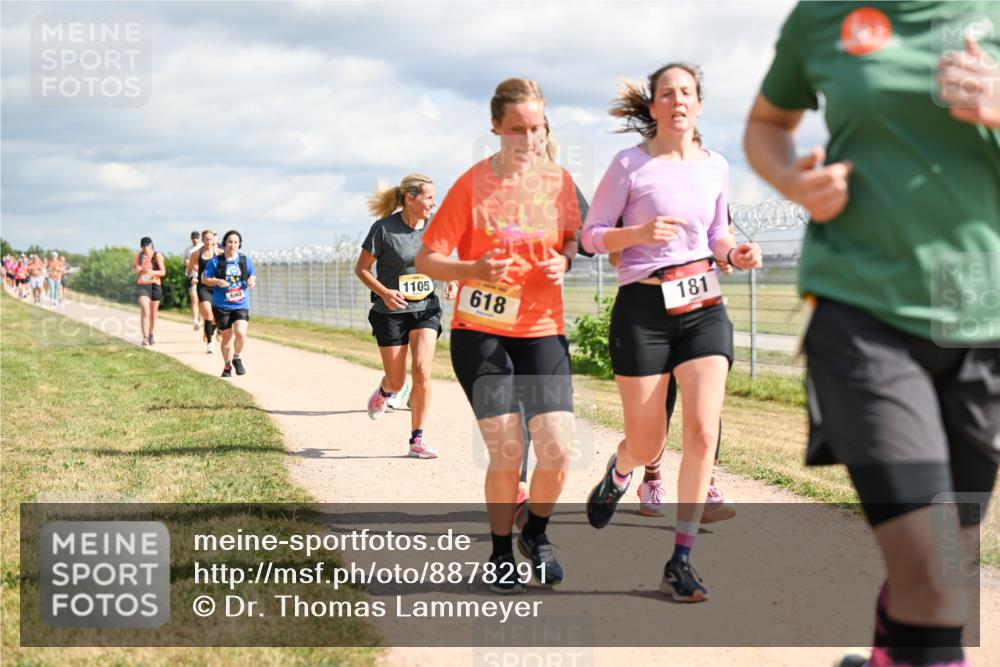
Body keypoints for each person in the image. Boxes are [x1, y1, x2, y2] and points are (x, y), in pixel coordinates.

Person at [745, 5, 999, 666]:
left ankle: (893, 647)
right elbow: (768, 125)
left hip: (983, 323)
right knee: (935, 573)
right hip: (861, 315)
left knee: (951, 564)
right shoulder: (824, 15)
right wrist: (791, 180)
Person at [580, 63, 762, 603]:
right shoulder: (629, 164)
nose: (677, 100)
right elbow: (591, 237)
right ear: (653, 106)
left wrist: (734, 252)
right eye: (667, 93)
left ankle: (680, 559)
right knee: (648, 440)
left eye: (687, 93)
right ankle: (620, 472)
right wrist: (637, 233)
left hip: (704, 303)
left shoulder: (716, 166)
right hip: (644, 306)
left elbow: (716, 232)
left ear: (698, 104)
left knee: (703, 432)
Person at [417, 77, 582, 592]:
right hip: (481, 332)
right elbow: (428, 258)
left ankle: (536, 530)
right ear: (495, 127)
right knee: (508, 449)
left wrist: (564, 259)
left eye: (536, 129)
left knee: (556, 447)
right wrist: (472, 268)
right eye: (517, 130)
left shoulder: (559, 181)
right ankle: (500, 552)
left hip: (541, 329)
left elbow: (572, 239)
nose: (528, 140)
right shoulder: (470, 186)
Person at [356, 173, 456, 459]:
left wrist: (453, 278)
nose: (434, 204)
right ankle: (386, 391)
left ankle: (417, 440)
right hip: (391, 312)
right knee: (398, 381)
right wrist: (385, 292)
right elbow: (362, 269)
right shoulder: (383, 229)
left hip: (426, 308)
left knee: (423, 369)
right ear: (410, 199)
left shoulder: (436, 226)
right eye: (428, 198)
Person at [202, 230, 256, 377]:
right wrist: (216, 281)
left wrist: (252, 281)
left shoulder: (244, 260)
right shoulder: (216, 261)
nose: (232, 245)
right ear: (225, 244)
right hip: (222, 305)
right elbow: (204, 278)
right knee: (226, 339)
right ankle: (227, 366)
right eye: (230, 242)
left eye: (236, 242)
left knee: (241, 333)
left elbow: (252, 275)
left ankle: (237, 357)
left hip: (240, 304)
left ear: (239, 244)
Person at [187, 229, 222, 354]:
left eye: (210, 239)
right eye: (206, 239)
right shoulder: (196, 254)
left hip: (217, 287)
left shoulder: (219, 253)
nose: (208, 242)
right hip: (203, 287)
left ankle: (211, 333)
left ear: (214, 240)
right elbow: (189, 270)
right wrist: (192, 278)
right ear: (203, 240)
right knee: (208, 314)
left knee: (217, 317)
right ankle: (210, 343)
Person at [131, 237, 166, 346]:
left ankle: (151, 334)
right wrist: (136, 269)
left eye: (147, 246)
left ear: (151, 245)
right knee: (145, 310)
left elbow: (163, 272)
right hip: (142, 285)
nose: (145, 248)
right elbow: (133, 270)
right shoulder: (138, 256)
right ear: (141, 246)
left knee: (153, 314)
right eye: (143, 246)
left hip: (155, 285)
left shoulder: (157, 256)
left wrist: (152, 272)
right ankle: (145, 337)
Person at [183, 230, 203, 331]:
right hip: (191, 275)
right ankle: (195, 320)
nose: (195, 240)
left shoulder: (203, 248)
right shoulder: (188, 249)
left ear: (200, 238)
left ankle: (200, 318)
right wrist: (188, 263)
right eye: (193, 238)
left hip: (202, 276)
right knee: (194, 298)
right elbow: (184, 261)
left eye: (197, 238)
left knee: (202, 299)